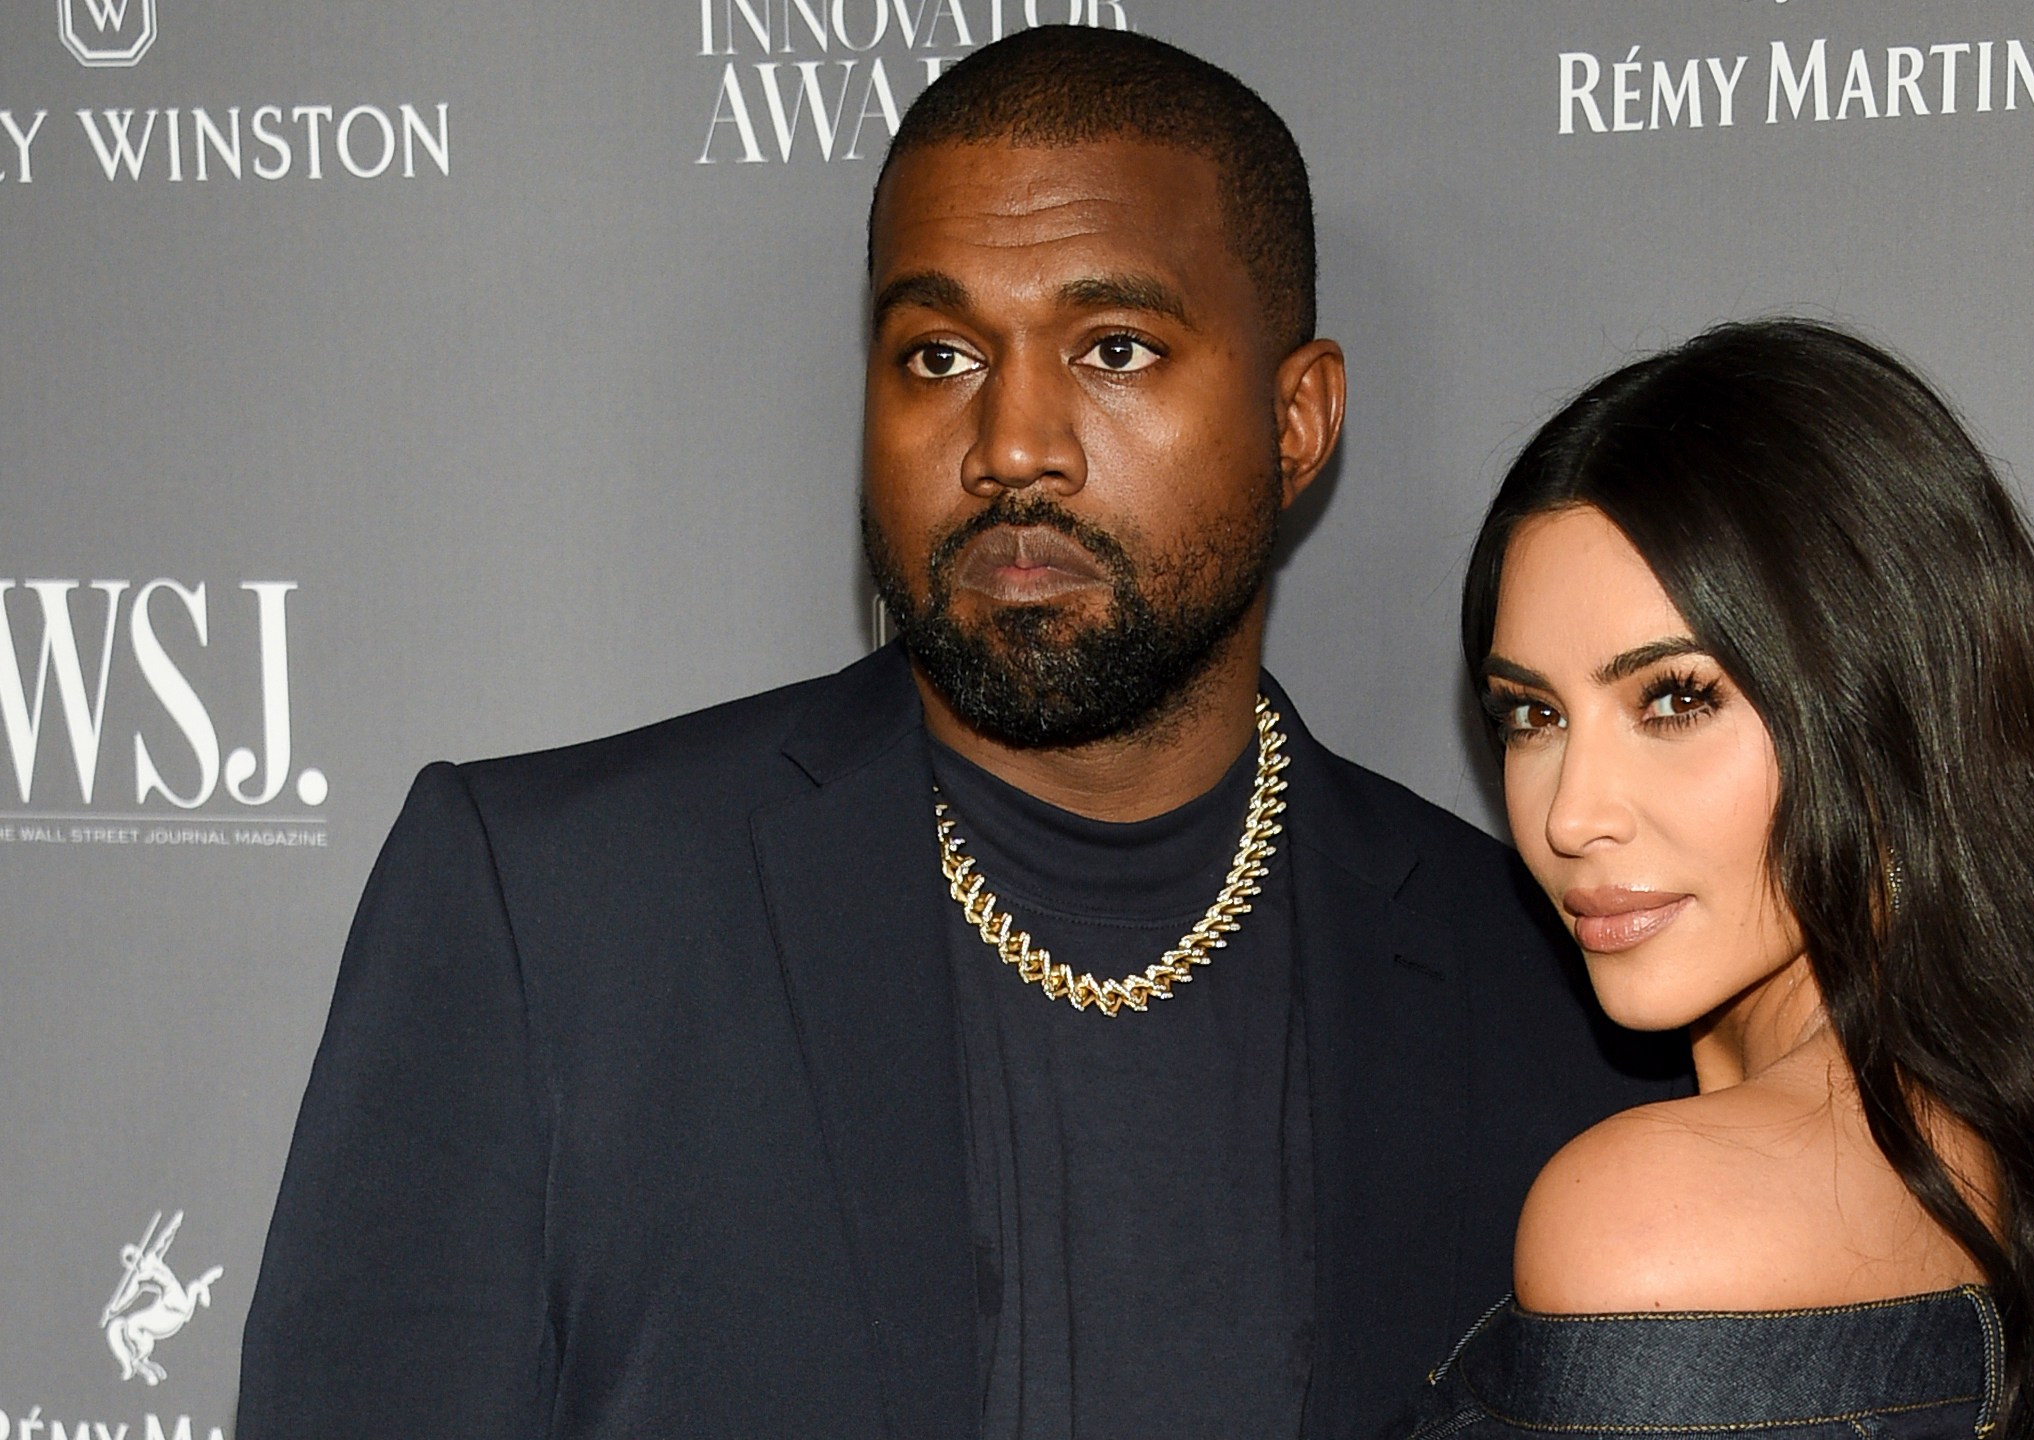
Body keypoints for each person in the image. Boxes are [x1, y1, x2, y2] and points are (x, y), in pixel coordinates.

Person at [236, 26, 1681, 1440]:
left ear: (1296, 422)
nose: (1009, 443)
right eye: (936, 356)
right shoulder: (549, 915)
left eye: (1113, 347)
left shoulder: (1543, 988)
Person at [1401, 319, 2034, 1439]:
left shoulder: (1646, 1220)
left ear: (1885, 712)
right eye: (1533, 715)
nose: (1572, 814)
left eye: (1676, 699)